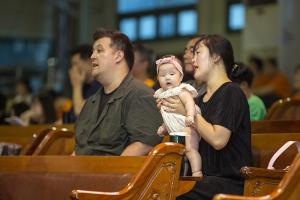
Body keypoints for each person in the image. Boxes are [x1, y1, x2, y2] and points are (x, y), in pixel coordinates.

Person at [159, 35, 252, 199]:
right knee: (157, 186)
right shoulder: (198, 100)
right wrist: (169, 117)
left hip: (229, 182)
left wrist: (188, 113)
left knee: (172, 194)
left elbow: (218, 140)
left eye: (197, 53)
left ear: (216, 56)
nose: (192, 60)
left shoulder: (231, 92)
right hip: (204, 180)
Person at [74, 28, 162, 156]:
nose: (92, 56)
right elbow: (80, 148)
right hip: (83, 171)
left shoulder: (139, 94)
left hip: (115, 173)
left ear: (118, 56)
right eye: (93, 52)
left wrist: (110, 172)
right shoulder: (91, 102)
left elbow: (144, 145)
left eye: (99, 50)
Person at [154, 55, 202, 177]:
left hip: (188, 126)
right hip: (175, 131)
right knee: (175, 154)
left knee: (191, 150)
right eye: (163, 75)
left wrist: (190, 115)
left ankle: (197, 172)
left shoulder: (182, 90)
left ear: (180, 76)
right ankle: (177, 176)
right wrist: (164, 126)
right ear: (158, 78)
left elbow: (189, 103)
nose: (167, 77)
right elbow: (169, 115)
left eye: (171, 74)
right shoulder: (162, 95)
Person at [68, 45, 101, 118]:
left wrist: (77, 86)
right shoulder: (84, 87)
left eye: (75, 63)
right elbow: (71, 116)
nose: (73, 68)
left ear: (89, 62)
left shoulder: (100, 86)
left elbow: (79, 112)